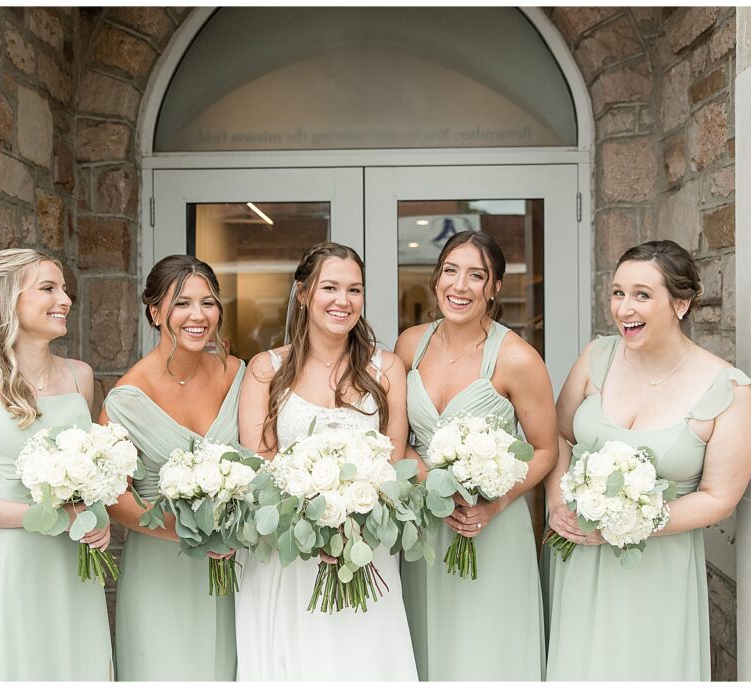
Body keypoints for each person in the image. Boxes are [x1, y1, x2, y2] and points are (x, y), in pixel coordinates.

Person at [543, 240, 751, 680]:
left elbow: (719, 497)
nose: (624, 308)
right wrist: (555, 503)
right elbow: (560, 434)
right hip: (580, 555)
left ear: (681, 303)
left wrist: (629, 524)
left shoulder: (726, 389)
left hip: (658, 565)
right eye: (618, 293)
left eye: (642, 294)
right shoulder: (596, 357)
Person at [234, 242, 418, 681]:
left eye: (354, 290)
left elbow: (394, 461)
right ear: (302, 294)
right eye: (330, 287)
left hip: (365, 547)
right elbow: (259, 461)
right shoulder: (266, 369)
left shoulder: (387, 368)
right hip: (289, 552)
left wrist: (349, 522)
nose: (344, 300)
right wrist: (314, 525)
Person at [0, 249, 112, 681]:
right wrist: (48, 516)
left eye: (65, 289)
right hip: (16, 565)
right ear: (6, 300)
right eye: (49, 289)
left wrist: (99, 518)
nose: (66, 299)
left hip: (76, 565)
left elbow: (89, 474)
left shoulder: (80, 377)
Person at [396, 231, 557, 680]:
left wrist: (494, 503)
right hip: (426, 524)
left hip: (491, 527)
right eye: (450, 271)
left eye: (476, 275)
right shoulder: (410, 345)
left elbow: (546, 449)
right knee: (427, 645)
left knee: (489, 651)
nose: (459, 286)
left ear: (494, 288)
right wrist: (431, 484)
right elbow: (394, 436)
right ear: (436, 278)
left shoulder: (518, 359)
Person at [101, 255, 243, 681]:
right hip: (161, 565)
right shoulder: (126, 398)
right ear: (156, 311)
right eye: (182, 303)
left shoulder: (239, 373)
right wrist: (191, 532)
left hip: (234, 565)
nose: (198, 316)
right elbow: (115, 499)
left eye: (208, 302)